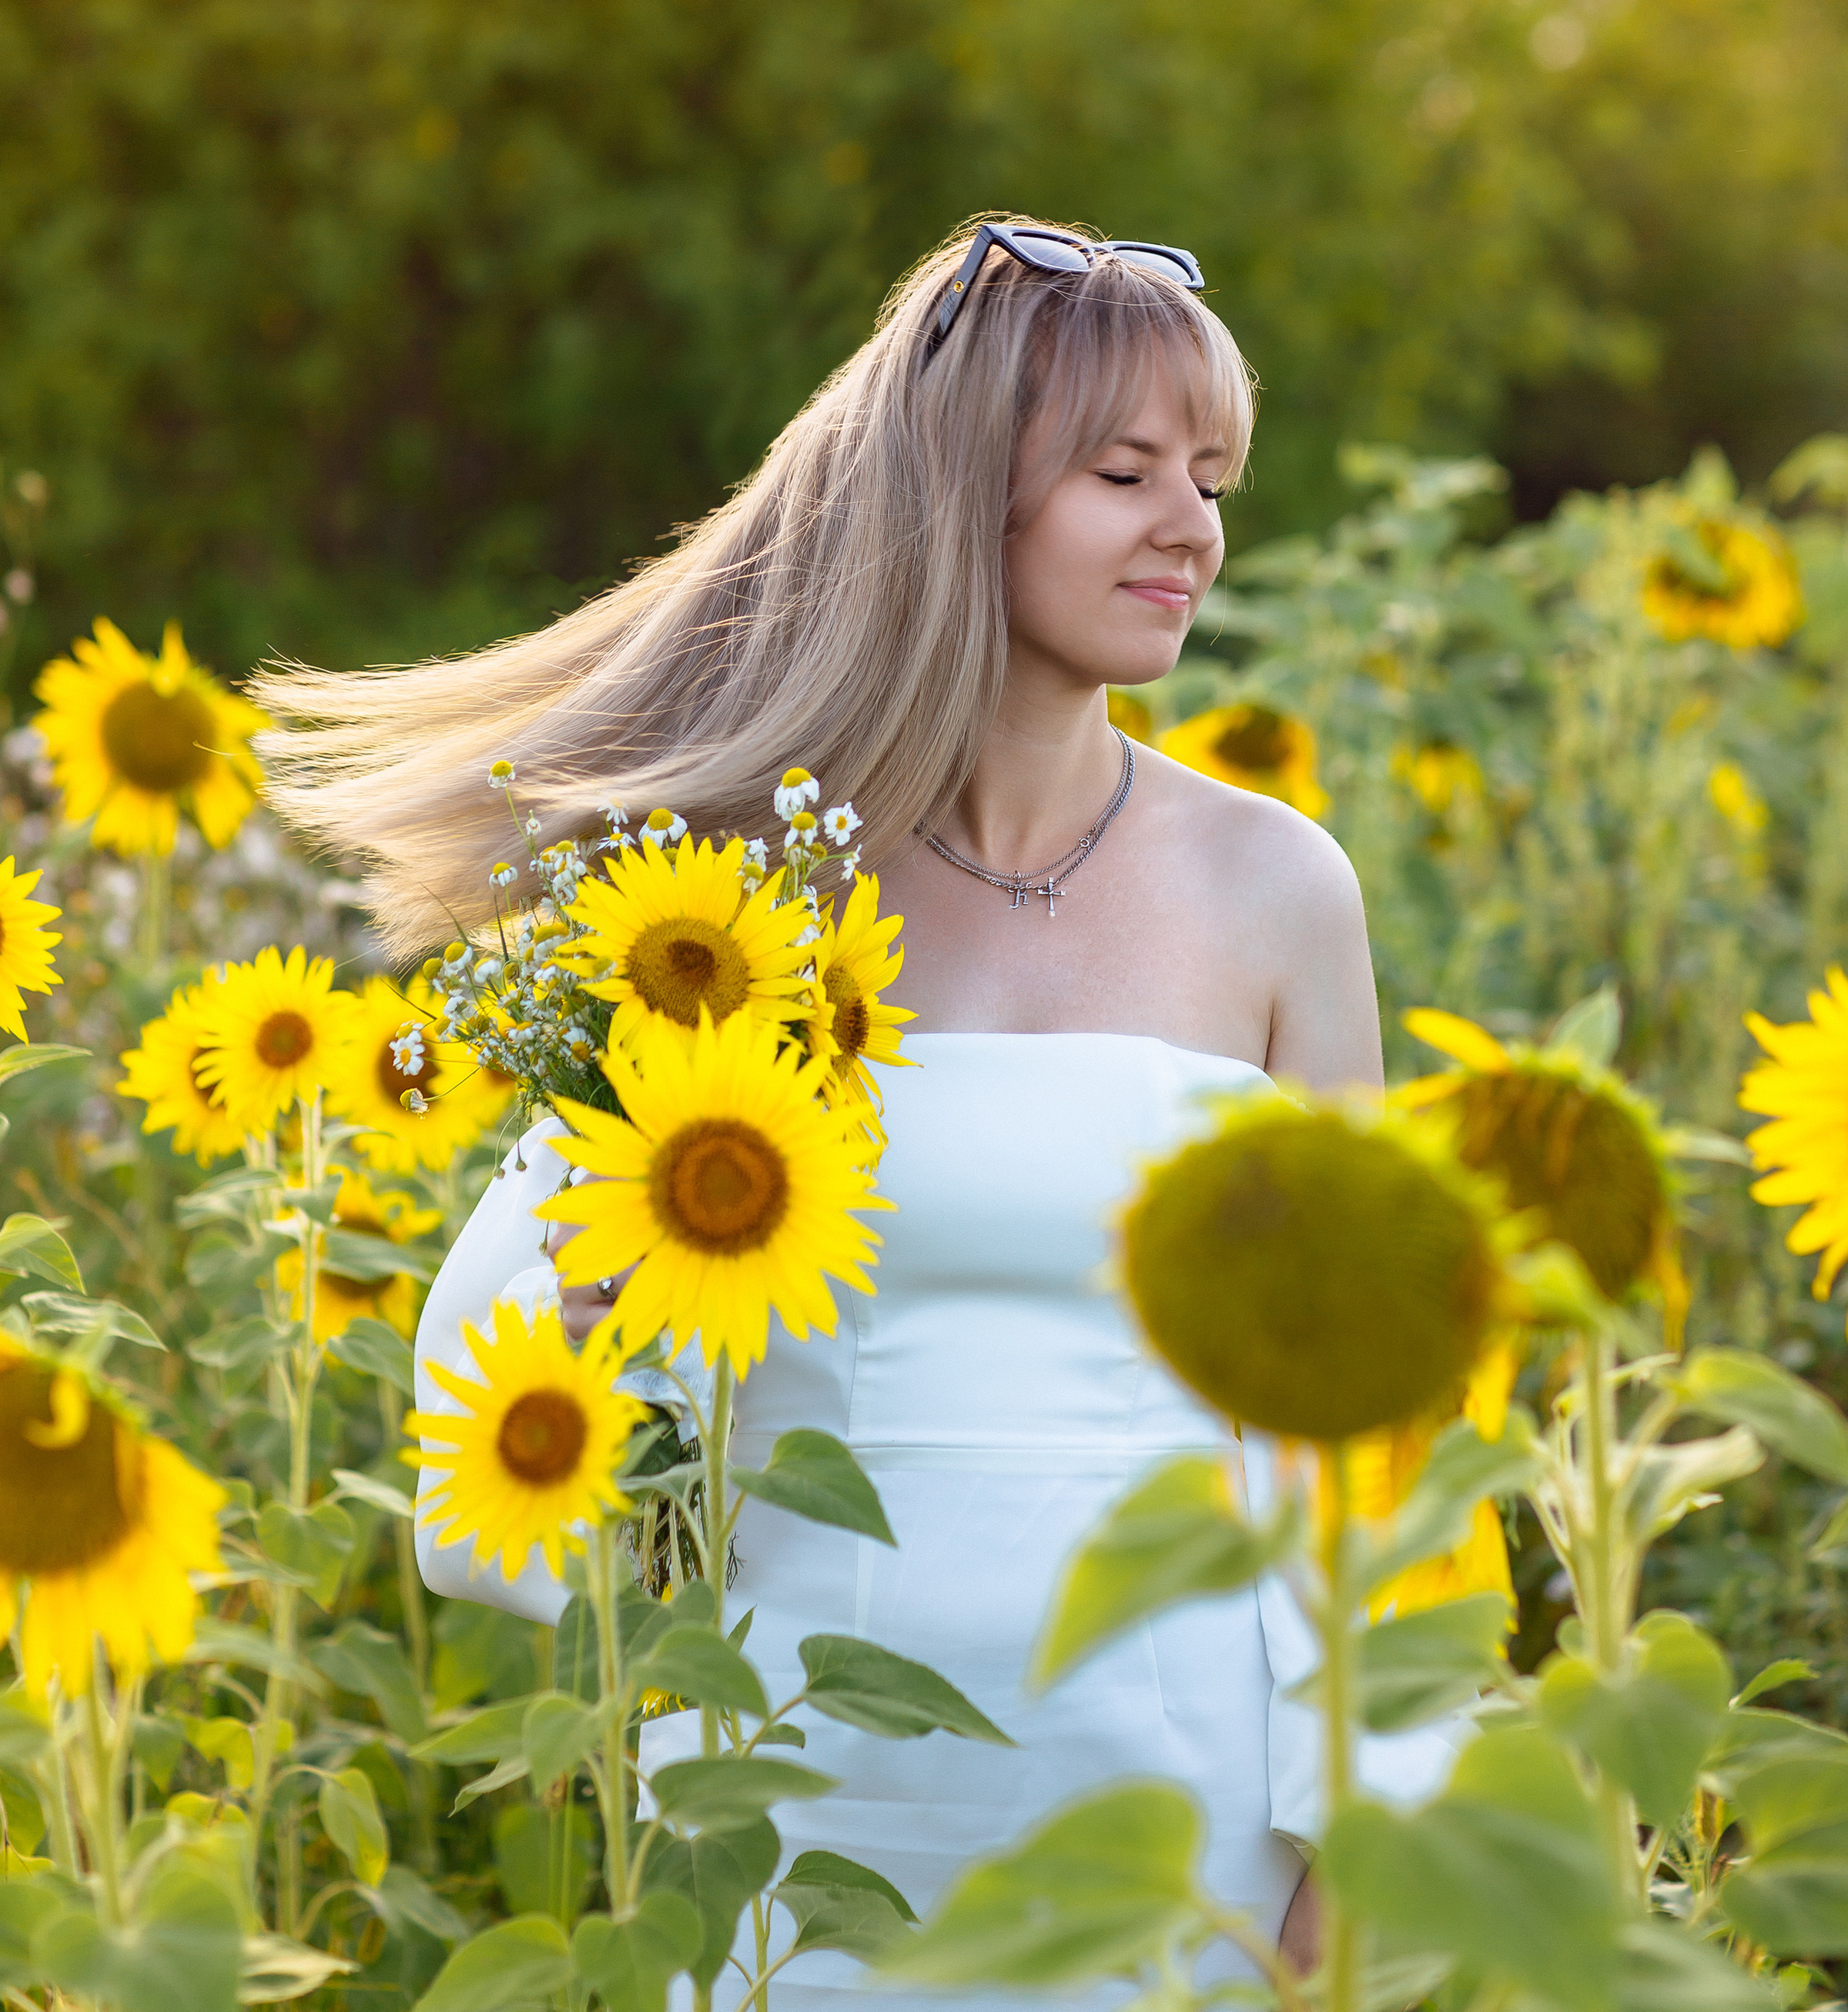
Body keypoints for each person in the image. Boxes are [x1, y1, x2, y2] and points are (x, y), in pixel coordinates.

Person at [257, 216, 1444, 1997]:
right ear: (965, 499)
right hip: (797, 1815)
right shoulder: (733, 911)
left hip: (1182, 1828)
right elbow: (496, 1436)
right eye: (1123, 471)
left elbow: (1371, 1434)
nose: (1190, 526)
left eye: (1209, 475)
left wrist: (1356, 1851)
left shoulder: (1276, 891)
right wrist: (600, 1300)